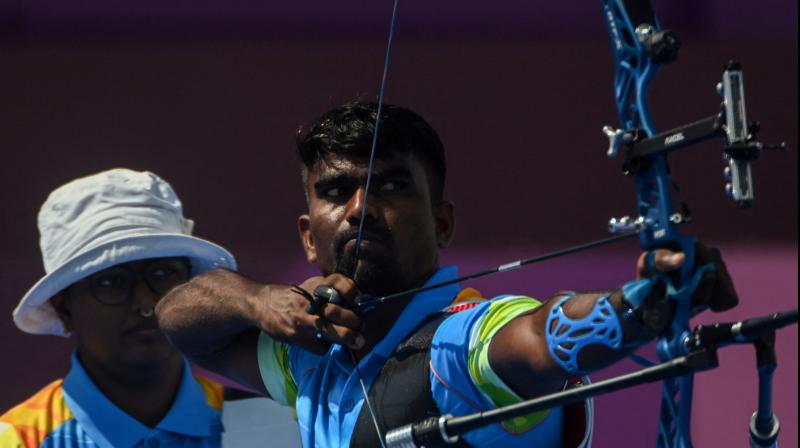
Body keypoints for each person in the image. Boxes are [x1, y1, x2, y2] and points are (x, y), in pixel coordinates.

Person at [155, 101, 737, 447]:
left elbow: (537, 340)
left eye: (390, 185)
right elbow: (178, 318)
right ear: (309, 236)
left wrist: (638, 305)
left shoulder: (464, 341)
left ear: (442, 223)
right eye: (336, 192)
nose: (359, 208)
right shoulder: (311, 352)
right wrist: (260, 301)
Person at [0, 168, 237, 447]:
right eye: (111, 282)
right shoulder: (17, 439)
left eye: (162, 274)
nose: (147, 304)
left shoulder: (269, 420)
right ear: (64, 309)